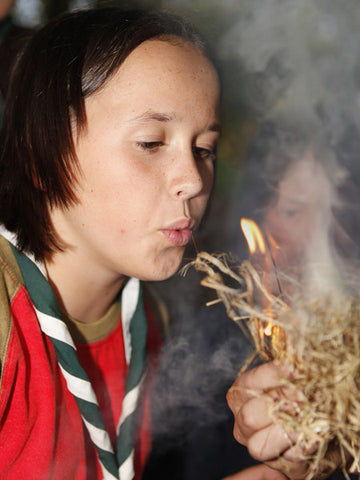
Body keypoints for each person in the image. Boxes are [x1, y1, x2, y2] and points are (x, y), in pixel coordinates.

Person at [0, 7, 221, 479]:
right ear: (42, 156)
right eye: (151, 142)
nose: (193, 180)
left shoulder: (149, 321)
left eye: (203, 149)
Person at [226, 121, 360, 480]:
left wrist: (341, 452)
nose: (316, 237)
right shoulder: (211, 335)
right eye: (288, 211)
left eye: (331, 213)